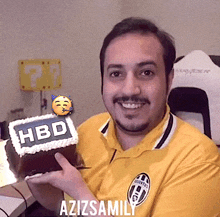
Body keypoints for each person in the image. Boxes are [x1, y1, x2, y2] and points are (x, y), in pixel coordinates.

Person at [27, 17, 220, 216]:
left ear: (169, 80)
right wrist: (34, 177)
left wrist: (80, 193)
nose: (130, 89)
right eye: (116, 74)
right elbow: (62, 206)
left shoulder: (198, 160)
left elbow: (78, 199)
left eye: (146, 72)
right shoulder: (88, 129)